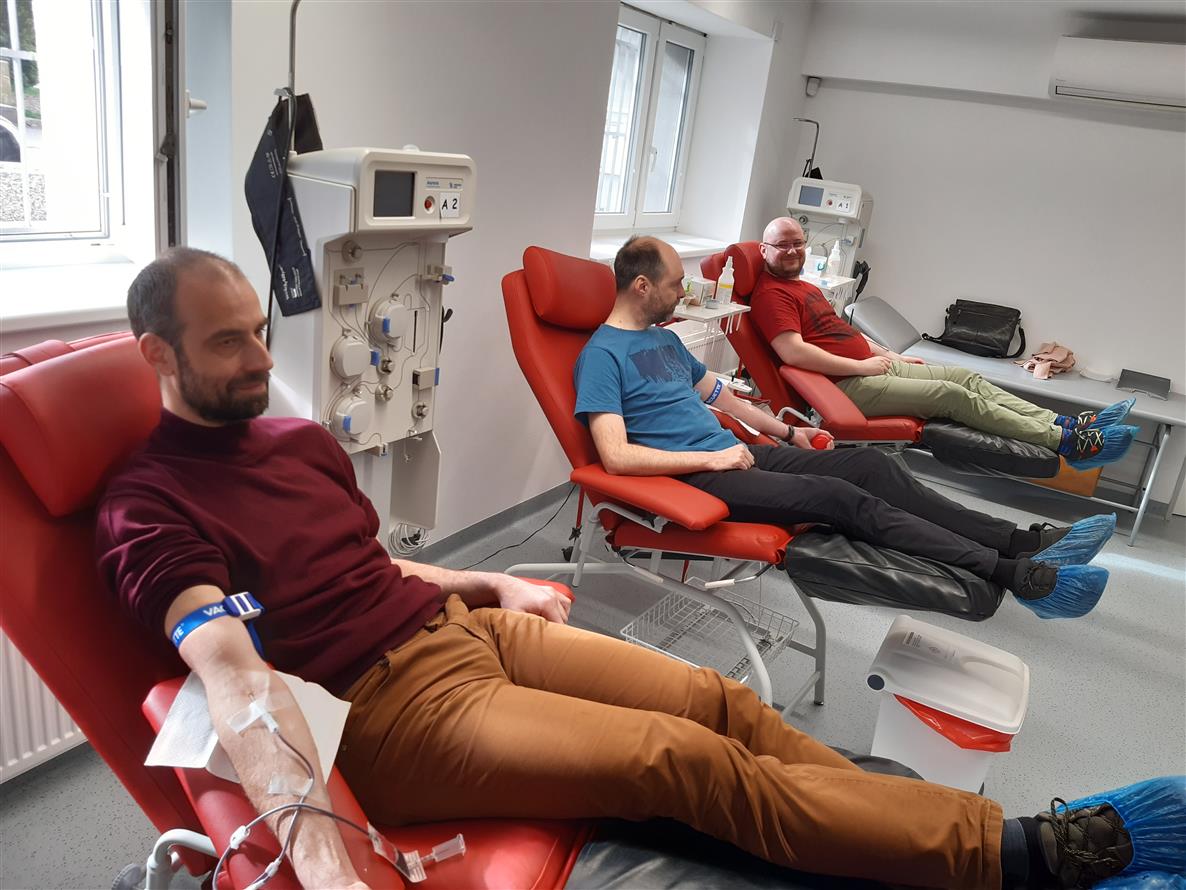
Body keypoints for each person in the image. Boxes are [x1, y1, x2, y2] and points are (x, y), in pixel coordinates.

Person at [96, 247, 1184, 890]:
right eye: (228, 342)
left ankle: (902, 830)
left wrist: (487, 585)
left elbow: (373, 568)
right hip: (386, 714)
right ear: (158, 354)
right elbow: (233, 673)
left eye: (258, 330)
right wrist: (323, 867)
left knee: (720, 701)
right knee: (679, 759)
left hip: (467, 633)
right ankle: (1031, 855)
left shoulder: (297, 443)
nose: (260, 357)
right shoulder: (146, 505)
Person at [575, 236, 1114, 620]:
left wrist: (787, 433)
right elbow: (616, 456)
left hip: (737, 454)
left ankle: (1021, 541)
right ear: (642, 286)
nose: (682, 292)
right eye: (674, 285)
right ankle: (1009, 572)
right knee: (840, 499)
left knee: (870, 465)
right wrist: (712, 458)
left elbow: (719, 395)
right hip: (698, 477)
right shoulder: (602, 356)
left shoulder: (665, 340)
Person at [750, 217, 1136, 470]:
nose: (792, 251)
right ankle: (1066, 442)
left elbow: (841, 331)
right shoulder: (772, 295)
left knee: (965, 377)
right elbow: (793, 352)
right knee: (951, 395)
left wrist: (888, 354)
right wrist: (862, 366)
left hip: (870, 367)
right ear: (764, 250)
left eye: (798, 243)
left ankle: (1062, 421)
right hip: (845, 385)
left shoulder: (803, 286)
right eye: (782, 245)